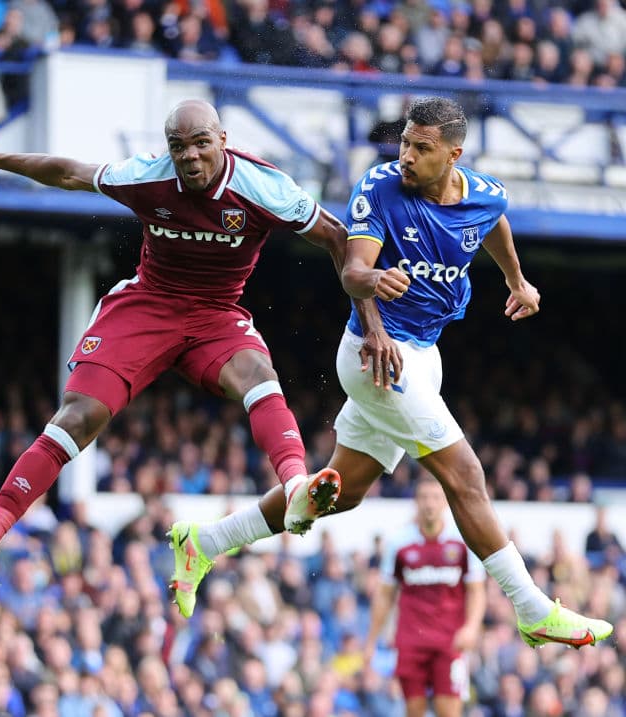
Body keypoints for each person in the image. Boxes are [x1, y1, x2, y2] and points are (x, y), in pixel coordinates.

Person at [168, 96, 614, 649]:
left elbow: (493, 221)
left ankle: (204, 543)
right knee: (464, 475)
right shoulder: (379, 188)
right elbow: (353, 268)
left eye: (421, 148)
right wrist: (371, 285)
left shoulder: (483, 193)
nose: (406, 155)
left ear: (453, 155)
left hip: (424, 353)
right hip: (375, 359)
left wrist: (516, 280)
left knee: (343, 493)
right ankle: (533, 609)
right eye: (404, 141)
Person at [0, 99, 408, 597]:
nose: (191, 157)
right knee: (77, 418)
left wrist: (371, 323)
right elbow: (68, 171)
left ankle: (295, 487)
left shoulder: (264, 187)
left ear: (222, 141)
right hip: (147, 308)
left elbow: (337, 239)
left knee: (259, 378)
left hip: (215, 315)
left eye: (202, 143)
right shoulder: (149, 176)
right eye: (179, 148)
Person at [363, 476, 485, 717]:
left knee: (449, 711)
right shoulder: (399, 543)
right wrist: (371, 641)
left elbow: (476, 590)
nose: (429, 504)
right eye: (424, 498)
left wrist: (472, 627)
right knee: (413, 711)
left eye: (435, 498)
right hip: (411, 641)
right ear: (416, 502)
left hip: (450, 641)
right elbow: (385, 594)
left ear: (445, 503)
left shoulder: (462, 541)